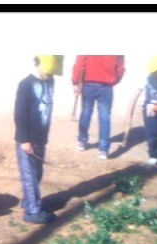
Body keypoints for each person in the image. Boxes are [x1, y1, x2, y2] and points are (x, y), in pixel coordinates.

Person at [14, 55, 64, 224]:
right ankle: (32, 211)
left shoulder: (50, 81)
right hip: (27, 138)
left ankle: (29, 200)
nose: (51, 75)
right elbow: (20, 114)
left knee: (37, 173)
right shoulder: (26, 84)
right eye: (49, 71)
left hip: (41, 137)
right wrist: (24, 140)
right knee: (29, 175)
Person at [72, 55, 125, 159]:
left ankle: (82, 141)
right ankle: (103, 149)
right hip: (106, 85)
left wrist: (75, 81)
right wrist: (114, 80)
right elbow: (120, 67)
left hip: (89, 84)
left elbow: (80, 63)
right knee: (104, 117)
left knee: (86, 112)